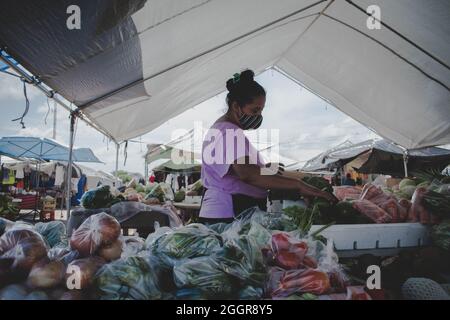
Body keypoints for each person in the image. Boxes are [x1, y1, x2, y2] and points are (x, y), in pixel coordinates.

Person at [198, 70, 338, 224]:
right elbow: (247, 174)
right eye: (254, 110)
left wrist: (264, 169)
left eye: (261, 110)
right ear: (236, 106)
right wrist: (298, 186)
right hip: (230, 210)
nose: (258, 116)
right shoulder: (229, 132)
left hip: (228, 208)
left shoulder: (223, 130)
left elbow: (236, 171)